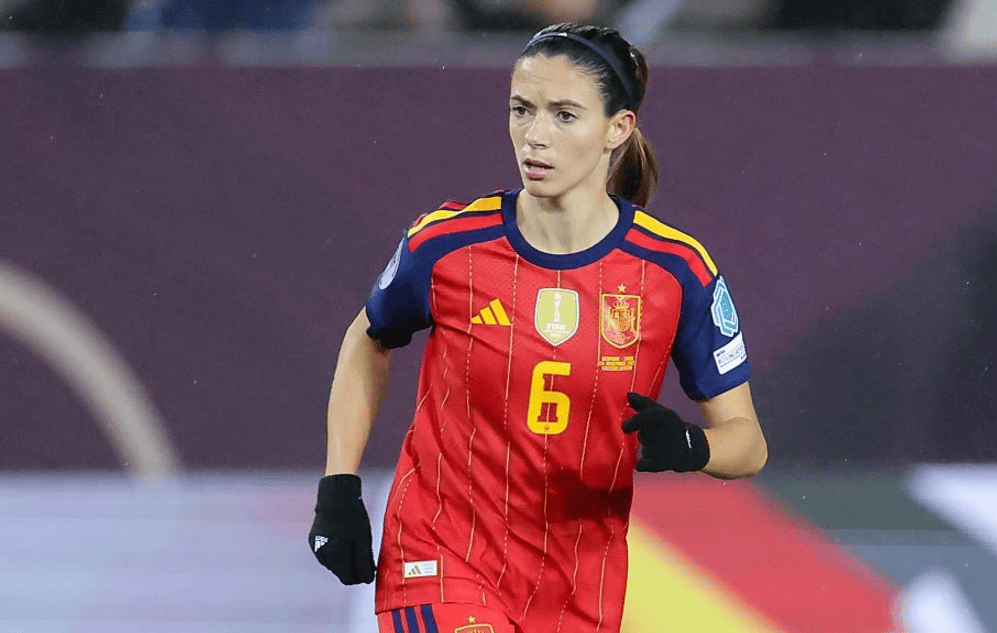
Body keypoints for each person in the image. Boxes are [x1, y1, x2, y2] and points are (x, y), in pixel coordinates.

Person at [308, 22, 768, 633]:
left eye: (564, 115)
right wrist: (339, 486)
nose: (534, 136)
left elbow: (749, 444)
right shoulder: (446, 244)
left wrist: (691, 446)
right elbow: (368, 339)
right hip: (442, 551)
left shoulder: (676, 271)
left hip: (578, 582)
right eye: (521, 110)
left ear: (618, 129)